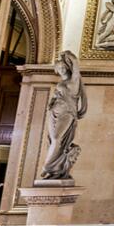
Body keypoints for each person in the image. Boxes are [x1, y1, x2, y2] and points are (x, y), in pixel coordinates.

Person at [40, 51, 87, 180]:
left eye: (63, 67)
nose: (61, 69)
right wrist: (52, 102)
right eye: (58, 68)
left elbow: (76, 69)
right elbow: (56, 96)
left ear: (67, 67)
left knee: (56, 138)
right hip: (54, 112)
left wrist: (70, 57)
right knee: (52, 140)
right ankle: (54, 168)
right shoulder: (61, 83)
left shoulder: (73, 82)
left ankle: (47, 167)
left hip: (67, 113)